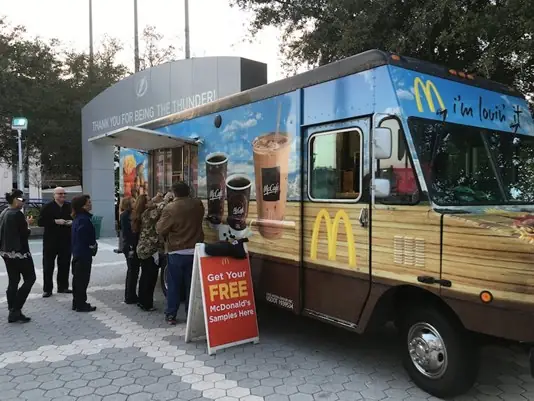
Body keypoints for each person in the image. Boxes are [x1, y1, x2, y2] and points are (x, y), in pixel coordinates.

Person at [157, 182, 204, 325]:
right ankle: (191, 315)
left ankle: (171, 314)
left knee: (174, 286)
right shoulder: (198, 204)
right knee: (192, 286)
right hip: (194, 250)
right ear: (188, 191)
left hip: (176, 252)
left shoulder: (170, 208)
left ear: (174, 192)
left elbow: (160, 229)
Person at [0, 190, 36, 323]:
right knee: (30, 278)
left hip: (6, 252)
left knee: (13, 281)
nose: (23, 202)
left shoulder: (4, 212)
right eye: (22, 199)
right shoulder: (17, 214)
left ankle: (12, 310)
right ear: (15, 199)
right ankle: (16, 308)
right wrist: (28, 225)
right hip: (20, 253)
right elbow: (24, 234)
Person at [135, 193, 172, 311]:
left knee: (145, 276)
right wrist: (166, 199)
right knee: (150, 278)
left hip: (144, 249)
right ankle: (146, 304)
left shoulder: (143, 213)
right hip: (149, 250)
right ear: (145, 204)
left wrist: (155, 200)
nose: (152, 201)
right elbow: (162, 207)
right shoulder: (149, 214)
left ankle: (142, 301)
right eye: (149, 200)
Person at [38, 187, 72, 297]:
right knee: (48, 265)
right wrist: (55, 221)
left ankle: (63, 287)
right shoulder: (47, 207)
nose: (62, 195)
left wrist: (71, 222)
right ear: (54, 195)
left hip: (66, 240)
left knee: (64, 264)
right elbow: (40, 222)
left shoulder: (69, 206)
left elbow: (75, 218)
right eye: (59, 194)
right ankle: (47, 289)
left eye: (64, 193)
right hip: (50, 241)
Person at [70, 195, 98, 312]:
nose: (90, 204)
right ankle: (81, 304)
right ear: (82, 206)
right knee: (82, 279)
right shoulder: (84, 220)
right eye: (88, 203)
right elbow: (84, 235)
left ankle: (77, 302)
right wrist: (92, 245)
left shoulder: (77, 218)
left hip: (77, 252)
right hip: (83, 253)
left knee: (77, 279)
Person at [120, 196, 139, 304]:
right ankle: (129, 296)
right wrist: (131, 247)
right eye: (133, 201)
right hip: (130, 246)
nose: (135, 203)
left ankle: (131, 295)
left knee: (134, 271)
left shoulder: (132, 214)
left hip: (131, 245)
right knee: (132, 271)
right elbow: (127, 233)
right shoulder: (125, 216)